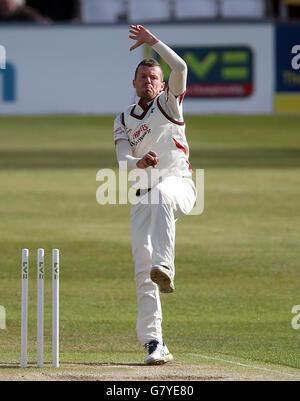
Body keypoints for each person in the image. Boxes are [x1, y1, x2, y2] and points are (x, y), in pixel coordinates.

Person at [114, 25, 196, 365]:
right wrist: (139, 161)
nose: (148, 81)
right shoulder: (123, 119)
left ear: (162, 85)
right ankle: (154, 343)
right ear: (134, 83)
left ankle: (167, 266)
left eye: (153, 77)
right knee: (141, 269)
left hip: (179, 184)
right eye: (143, 77)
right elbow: (122, 162)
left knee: (163, 192)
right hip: (141, 196)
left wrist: (154, 43)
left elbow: (181, 68)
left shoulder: (169, 103)